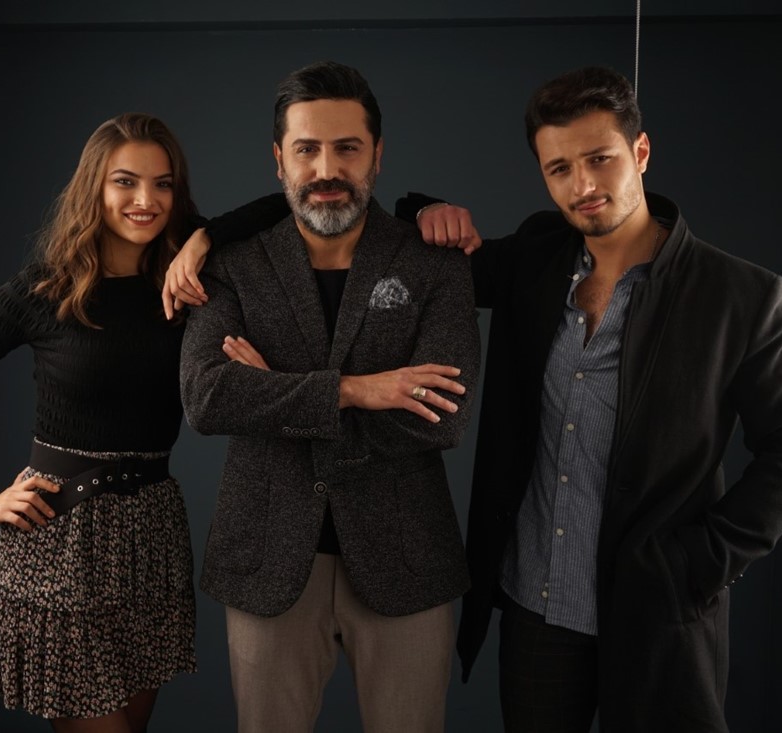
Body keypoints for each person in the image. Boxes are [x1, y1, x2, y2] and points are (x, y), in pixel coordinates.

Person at [416, 66, 782, 732]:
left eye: (599, 159)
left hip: (656, 609)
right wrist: (424, 209)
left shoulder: (739, 295)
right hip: (536, 608)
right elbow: (421, 260)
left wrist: (700, 563)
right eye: (559, 169)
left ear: (640, 151)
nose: (582, 185)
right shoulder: (535, 256)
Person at [0, 113, 279, 733]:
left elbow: (282, 207)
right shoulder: (42, 290)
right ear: (95, 187)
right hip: (61, 541)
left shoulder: (186, 282)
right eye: (125, 182)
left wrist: (202, 240)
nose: (146, 200)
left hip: (152, 539)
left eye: (163, 184)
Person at [178, 61, 481, 733]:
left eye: (347, 148)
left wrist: (273, 394)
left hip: (407, 557)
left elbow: (443, 417)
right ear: (279, 159)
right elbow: (206, 397)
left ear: (377, 154)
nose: (326, 168)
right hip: (267, 558)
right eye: (307, 149)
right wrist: (358, 391)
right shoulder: (231, 265)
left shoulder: (434, 260)